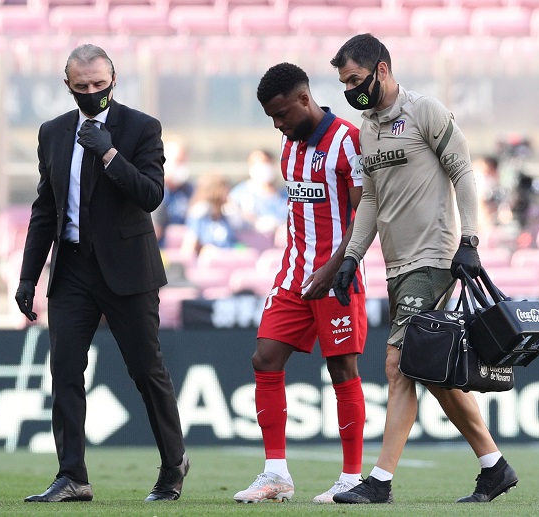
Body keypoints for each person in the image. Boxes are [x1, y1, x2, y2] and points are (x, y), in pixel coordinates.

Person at [329, 34, 518, 504]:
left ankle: (379, 482)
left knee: (397, 366)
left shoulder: (425, 111)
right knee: (428, 369)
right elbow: (370, 199)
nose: (350, 90)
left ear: (382, 69)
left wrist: (469, 241)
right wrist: (352, 256)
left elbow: (463, 171)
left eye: (355, 79)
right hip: (396, 264)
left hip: (433, 259)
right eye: (344, 83)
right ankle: (494, 467)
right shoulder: (367, 128)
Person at [13, 44, 188, 503]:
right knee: (65, 371)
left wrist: (109, 154)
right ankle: (72, 475)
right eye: (82, 86)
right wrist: (28, 277)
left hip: (128, 269)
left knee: (146, 370)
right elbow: (45, 209)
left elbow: (151, 195)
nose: (92, 92)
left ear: (114, 80)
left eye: (99, 84)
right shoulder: (53, 132)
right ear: (67, 85)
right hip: (71, 268)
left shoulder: (141, 127)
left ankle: (173, 463)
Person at [232, 62, 367, 504]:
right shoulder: (288, 144)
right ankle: (276, 475)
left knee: (342, 369)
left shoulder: (347, 140)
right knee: (265, 358)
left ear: (304, 99)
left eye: (282, 114)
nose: (277, 124)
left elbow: (366, 214)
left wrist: (333, 268)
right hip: (294, 275)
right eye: (271, 117)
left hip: (338, 277)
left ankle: (351, 478)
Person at [227, 149, 288, 238]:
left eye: (267, 163)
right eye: (259, 164)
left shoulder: (285, 196)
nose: (264, 168)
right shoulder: (238, 194)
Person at [181, 173, 242, 256]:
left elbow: (234, 243)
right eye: (225, 188)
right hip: (210, 261)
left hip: (229, 259)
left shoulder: (227, 216)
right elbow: (188, 249)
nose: (228, 192)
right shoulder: (199, 216)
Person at [153, 140, 194, 246]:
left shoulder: (190, 191)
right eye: (179, 161)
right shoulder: (154, 189)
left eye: (184, 162)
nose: (182, 166)